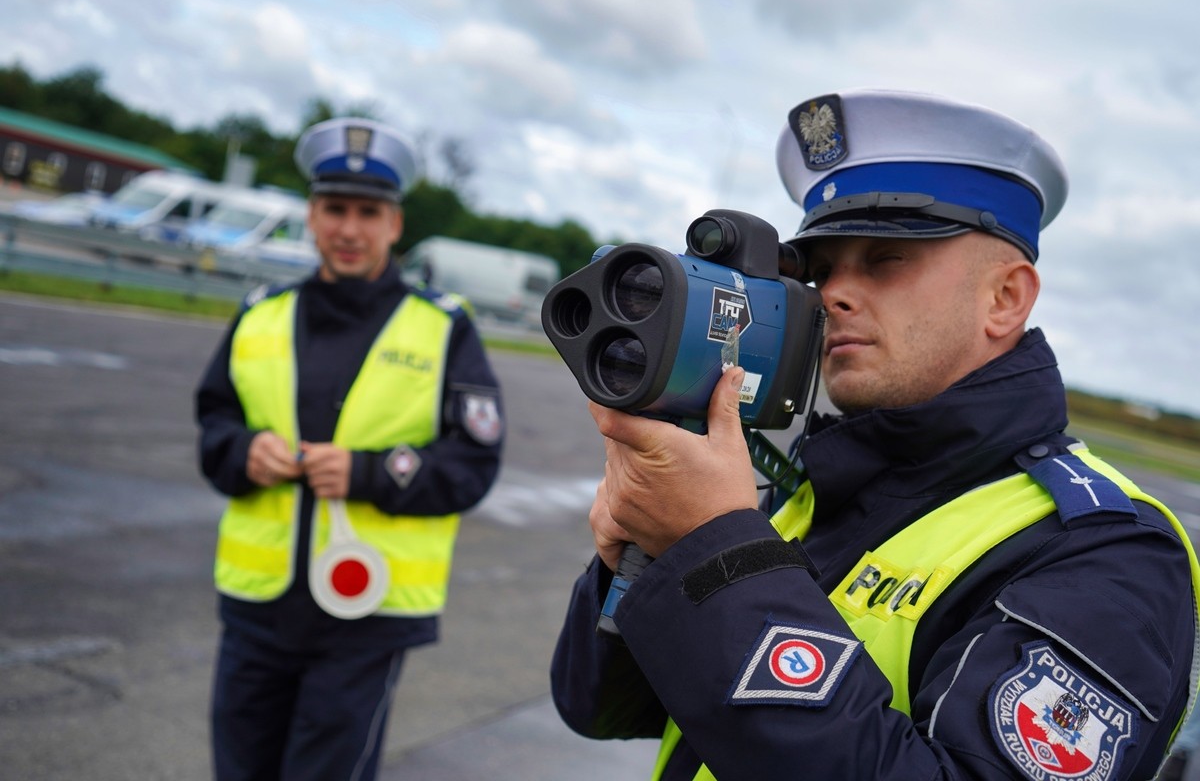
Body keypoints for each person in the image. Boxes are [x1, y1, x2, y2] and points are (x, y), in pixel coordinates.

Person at [550, 89, 1200, 780]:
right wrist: (649, 548)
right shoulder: (807, 489)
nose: (834, 294)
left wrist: (714, 554)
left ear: (1005, 298)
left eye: (887, 259)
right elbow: (601, 710)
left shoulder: (1104, 552)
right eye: (823, 269)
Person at [196, 116, 504, 781]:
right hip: (258, 608)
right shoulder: (260, 315)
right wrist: (244, 453)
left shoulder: (443, 327)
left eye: (368, 212)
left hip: (367, 615)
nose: (349, 229)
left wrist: (370, 473)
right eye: (335, 209)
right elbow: (213, 426)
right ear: (311, 215)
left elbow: (474, 464)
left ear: (395, 225)